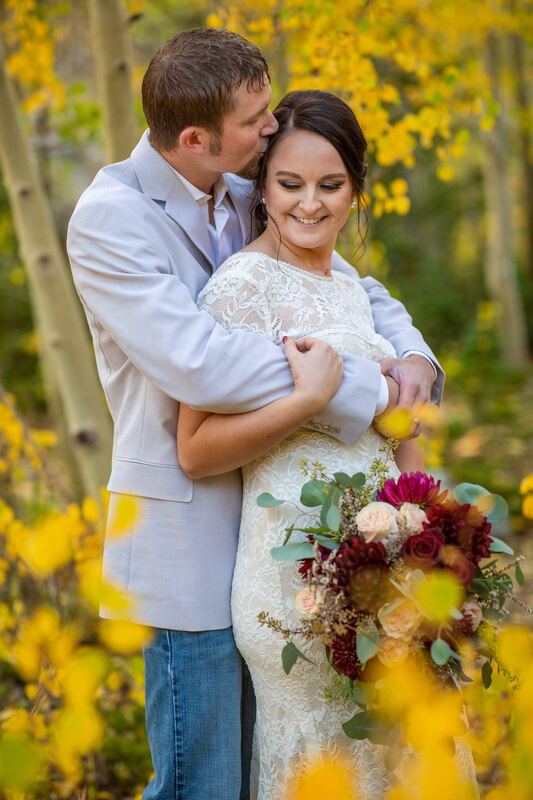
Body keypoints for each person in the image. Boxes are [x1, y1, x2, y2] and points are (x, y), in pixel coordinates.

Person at [67, 28, 443, 800]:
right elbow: (197, 362)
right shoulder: (111, 218)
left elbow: (350, 290)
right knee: (199, 781)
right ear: (198, 138)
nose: (271, 128)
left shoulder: (243, 187)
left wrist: (412, 360)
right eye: (255, 119)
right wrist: (359, 392)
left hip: (286, 533)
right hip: (189, 534)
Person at [177, 90, 471, 799]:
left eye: (330, 185)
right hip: (294, 572)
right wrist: (305, 400)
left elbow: (402, 429)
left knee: (406, 747)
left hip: (391, 560)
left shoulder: (352, 287)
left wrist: (432, 543)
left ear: (354, 189)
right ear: (262, 187)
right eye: (289, 184)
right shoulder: (240, 289)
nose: (309, 204)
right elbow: (195, 447)